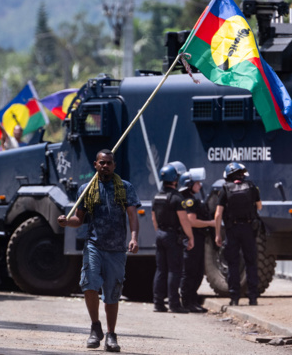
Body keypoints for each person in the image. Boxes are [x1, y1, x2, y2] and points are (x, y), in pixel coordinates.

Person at [57, 149, 140, 352]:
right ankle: (95, 327)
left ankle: (111, 335)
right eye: (102, 163)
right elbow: (79, 219)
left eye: (109, 163)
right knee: (89, 285)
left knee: (112, 294)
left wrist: (134, 238)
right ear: (96, 164)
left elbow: (132, 216)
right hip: (94, 245)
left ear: (114, 165)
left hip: (117, 249)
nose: (105, 166)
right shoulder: (86, 189)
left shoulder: (125, 188)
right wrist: (67, 222)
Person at [214, 162, 261, 306]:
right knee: (251, 263)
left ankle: (234, 298)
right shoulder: (252, 187)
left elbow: (218, 214)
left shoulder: (225, 189)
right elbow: (259, 206)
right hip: (248, 228)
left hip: (232, 230)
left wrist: (217, 234)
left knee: (233, 264)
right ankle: (252, 297)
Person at [152, 163, 194, 314]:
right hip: (172, 236)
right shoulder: (177, 198)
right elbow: (184, 220)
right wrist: (190, 237)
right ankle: (174, 304)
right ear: (175, 179)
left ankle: (158, 303)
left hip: (160, 235)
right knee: (174, 270)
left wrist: (159, 233)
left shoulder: (157, 196)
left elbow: (153, 219)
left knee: (160, 270)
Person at [179, 169, 215, 313]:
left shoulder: (192, 198)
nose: (200, 185)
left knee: (198, 272)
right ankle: (187, 302)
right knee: (190, 272)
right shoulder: (189, 200)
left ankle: (192, 300)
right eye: (197, 183)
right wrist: (211, 223)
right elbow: (191, 221)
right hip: (192, 239)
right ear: (190, 184)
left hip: (198, 239)